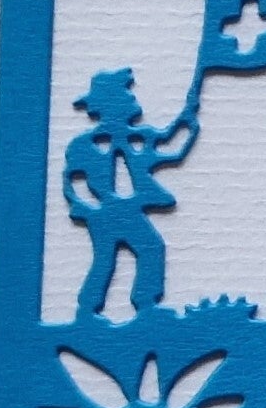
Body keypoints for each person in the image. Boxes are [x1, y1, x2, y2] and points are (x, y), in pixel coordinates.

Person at [65, 68, 198, 316]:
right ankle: (88, 308)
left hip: (131, 209)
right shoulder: (83, 145)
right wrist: (91, 208)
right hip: (105, 212)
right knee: (107, 259)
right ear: (105, 105)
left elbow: (171, 147)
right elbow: (75, 179)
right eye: (125, 95)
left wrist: (188, 119)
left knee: (150, 249)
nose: (132, 99)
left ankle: (145, 303)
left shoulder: (140, 139)